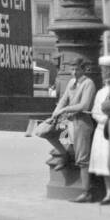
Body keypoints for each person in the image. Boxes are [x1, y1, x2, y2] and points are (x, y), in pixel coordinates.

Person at [41, 57, 98, 199]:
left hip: (82, 123)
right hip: (69, 121)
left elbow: (84, 105)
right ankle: (64, 154)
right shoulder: (72, 82)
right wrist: (55, 114)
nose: (74, 72)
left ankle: (86, 192)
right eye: (72, 69)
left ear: (84, 69)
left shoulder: (88, 83)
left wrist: (64, 110)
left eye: (77, 69)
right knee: (45, 132)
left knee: (82, 159)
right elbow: (63, 99)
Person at [87, 56, 110, 204]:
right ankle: (109, 192)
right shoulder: (100, 92)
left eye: (105, 70)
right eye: (102, 70)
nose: (103, 73)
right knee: (102, 163)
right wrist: (101, 118)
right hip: (101, 131)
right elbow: (94, 111)